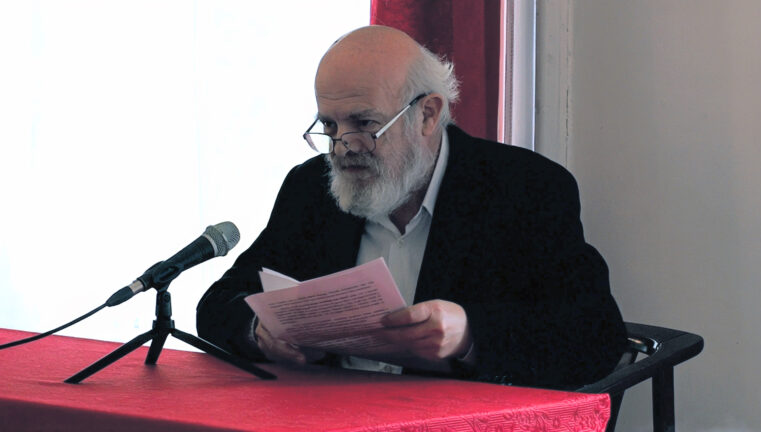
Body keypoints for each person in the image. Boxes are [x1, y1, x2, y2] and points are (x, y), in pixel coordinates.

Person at [196, 25, 626, 390]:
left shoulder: (524, 189)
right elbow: (218, 304)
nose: (343, 147)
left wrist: (470, 336)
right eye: (329, 125)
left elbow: (594, 337)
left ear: (428, 115)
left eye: (364, 123)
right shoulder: (311, 188)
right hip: (328, 416)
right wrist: (259, 333)